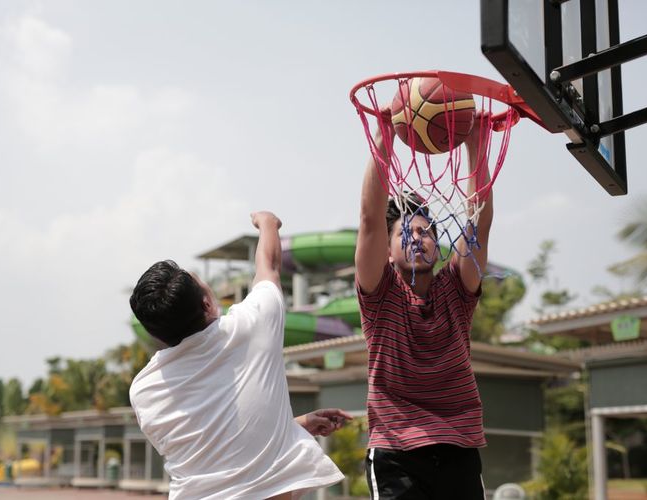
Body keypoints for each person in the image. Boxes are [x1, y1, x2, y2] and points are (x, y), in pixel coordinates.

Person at [129, 211, 349, 500]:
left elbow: (212, 453)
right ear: (207, 303)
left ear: (156, 334)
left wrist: (294, 426)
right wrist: (268, 223)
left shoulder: (144, 390)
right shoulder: (250, 326)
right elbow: (268, 265)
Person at [355, 114, 492, 499]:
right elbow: (369, 219)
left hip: (458, 445)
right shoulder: (380, 292)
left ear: (437, 242)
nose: (417, 237)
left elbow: (479, 222)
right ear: (387, 246)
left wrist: (476, 142)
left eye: (425, 231)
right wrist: (385, 134)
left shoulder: (457, 287)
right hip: (396, 450)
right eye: (406, 232)